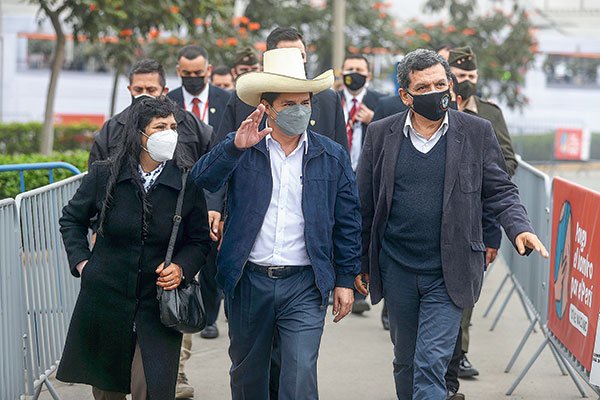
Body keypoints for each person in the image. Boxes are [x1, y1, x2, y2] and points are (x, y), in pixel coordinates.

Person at [355, 48, 548, 400]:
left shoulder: (476, 132)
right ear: (405, 96)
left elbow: (501, 189)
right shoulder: (381, 134)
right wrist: (358, 264)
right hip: (397, 267)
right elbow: (364, 205)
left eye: (441, 84)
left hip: (451, 269)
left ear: (451, 86)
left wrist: (519, 227)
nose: (435, 92)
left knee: (431, 362)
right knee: (405, 361)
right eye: (424, 87)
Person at [191, 47, 361, 400]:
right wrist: (233, 149)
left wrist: (345, 279)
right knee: (248, 376)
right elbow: (202, 181)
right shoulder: (243, 146)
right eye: (289, 104)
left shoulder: (331, 155)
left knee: (299, 375)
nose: (299, 111)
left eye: (305, 103)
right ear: (266, 107)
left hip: (305, 282)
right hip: (249, 280)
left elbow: (347, 221)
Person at [57, 96, 211, 399]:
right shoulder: (105, 175)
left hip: (158, 303)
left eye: (172, 126)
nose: (169, 133)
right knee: (106, 391)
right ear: (139, 134)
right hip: (106, 299)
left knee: (151, 387)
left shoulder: (185, 180)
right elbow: (71, 220)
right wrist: (83, 264)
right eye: (159, 127)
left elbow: (199, 240)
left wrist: (181, 268)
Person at [448, 45, 518, 380]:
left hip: (475, 217)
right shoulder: (432, 108)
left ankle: (458, 355)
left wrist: (482, 171)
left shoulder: (489, 114)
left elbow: (509, 160)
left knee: (465, 290)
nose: (467, 82)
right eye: (461, 76)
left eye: (471, 76)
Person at [215, 27, 348, 149]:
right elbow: (220, 154)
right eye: (287, 55)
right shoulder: (242, 101)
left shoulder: (329, 100)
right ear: (265, 106)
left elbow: (341, 158)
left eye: (300, 55)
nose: (295, 60)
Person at [89, 59, 213, 166]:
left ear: (164, 91)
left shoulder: (191, 124)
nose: (144, 95)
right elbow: (97, 171)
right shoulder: (113, 128)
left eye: (151, 90)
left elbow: (211, 168)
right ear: (130, 89)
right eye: (138, 90)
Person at [338, 54, 383, 315]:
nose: (354, 73)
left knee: (363, 226)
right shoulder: (331, 99)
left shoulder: (379, 102)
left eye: (359, 69)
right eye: (349, 69)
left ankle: (361, 285)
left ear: (368, 74)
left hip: (367, 172)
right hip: (342, 170)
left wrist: (372, 120)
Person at [167, 45, 231, 133]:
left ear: (208, 70)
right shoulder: (168, 101)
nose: (192, 77)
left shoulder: (227, 99)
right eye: (187, 73)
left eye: (198, 73)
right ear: (178, 71)